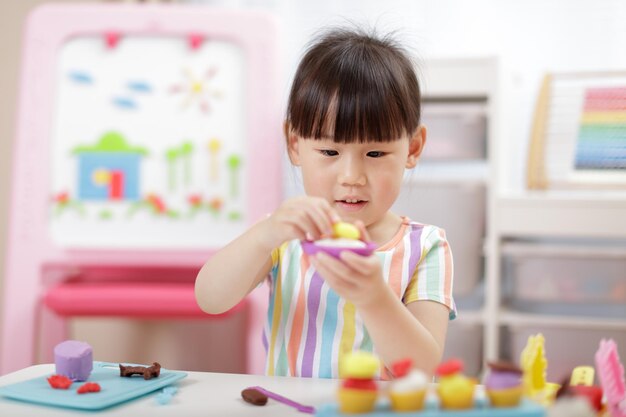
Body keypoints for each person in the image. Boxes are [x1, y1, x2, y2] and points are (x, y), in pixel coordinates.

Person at [195, 26, 456, 379]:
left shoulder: (426, 247)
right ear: (294, 144)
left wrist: (374, 296)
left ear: (412, 148)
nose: (351, 176)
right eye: (330, 151)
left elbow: (423, 366)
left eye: (375, 152)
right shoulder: (284, 233)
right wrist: (264, 235)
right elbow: (210, 300)